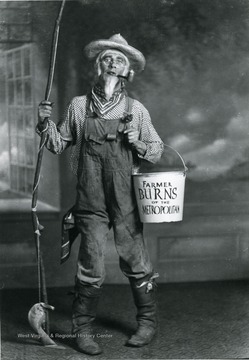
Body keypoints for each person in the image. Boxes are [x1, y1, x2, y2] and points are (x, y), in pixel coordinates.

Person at [37, 34, 164, 356]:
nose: (112, 62)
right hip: (90, 199)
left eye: (119, 60)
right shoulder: (79, 106)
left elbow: (157, 152)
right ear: (99, 65)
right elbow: (57, 144)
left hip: (125, 200)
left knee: (135, 261)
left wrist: (137, 142)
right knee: (91, 263)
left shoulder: (137, 110)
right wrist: (44, 125)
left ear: (127, 72)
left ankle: (147, 323)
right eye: (107, 57)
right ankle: (83, 330)